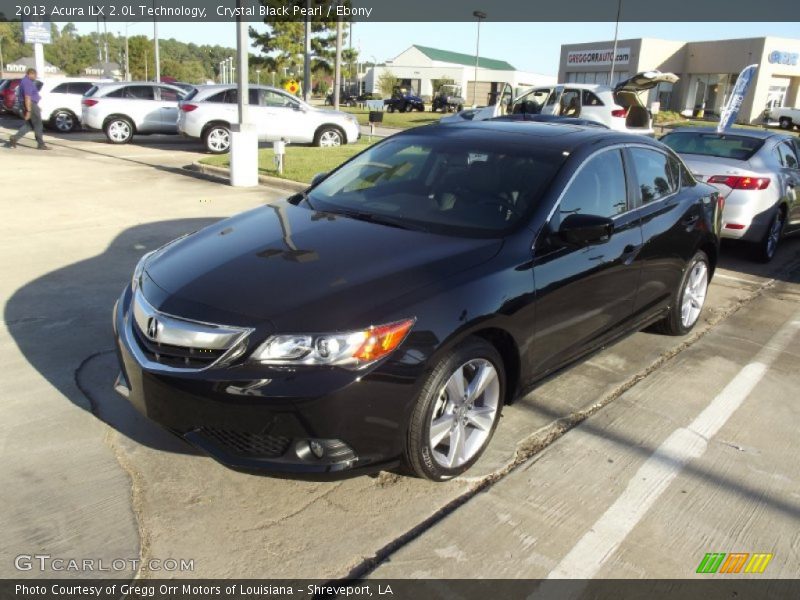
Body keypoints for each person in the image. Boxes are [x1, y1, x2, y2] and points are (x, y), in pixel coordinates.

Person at [5, 68, 50, 150]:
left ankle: (14, 138)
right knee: (38, 124)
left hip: (31, 104)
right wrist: (29, 110)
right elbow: (27, 97)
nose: (36, 77)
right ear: (30, 74)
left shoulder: (25, 81)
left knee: (29, 125)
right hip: (30, 105)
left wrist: (36, 107)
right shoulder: (27, 82)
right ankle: (41, 144)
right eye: (35, 75)